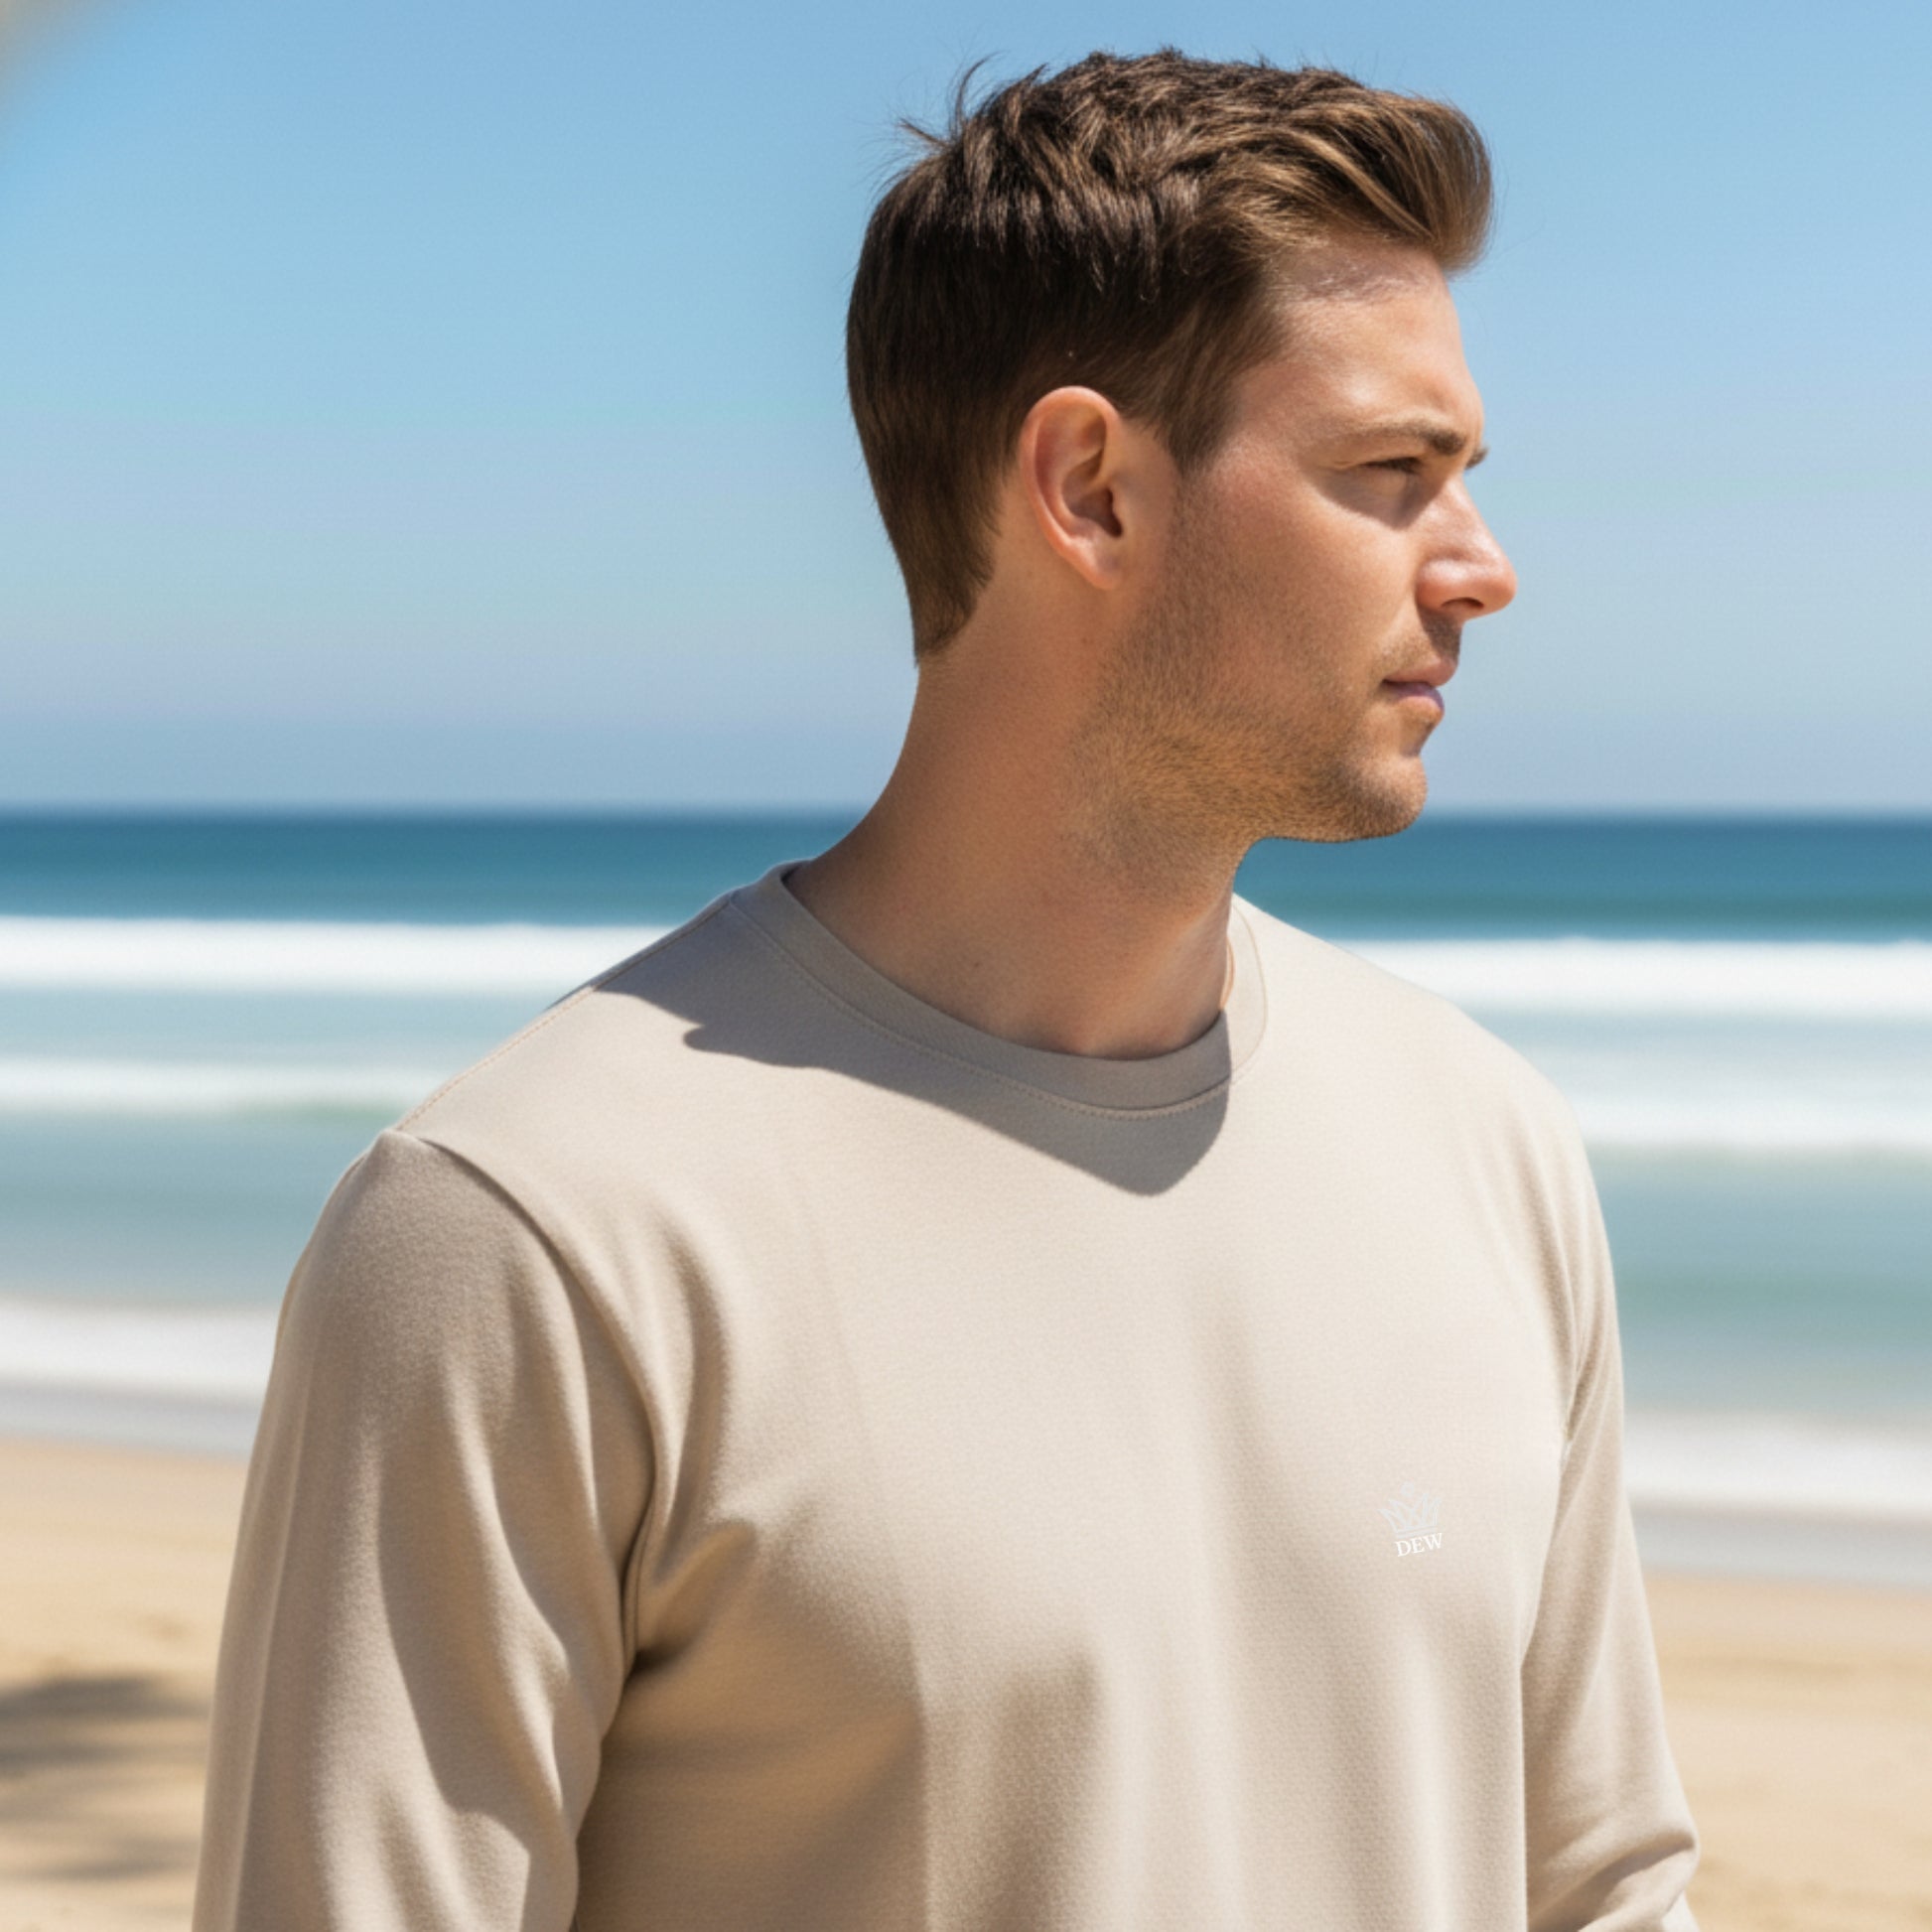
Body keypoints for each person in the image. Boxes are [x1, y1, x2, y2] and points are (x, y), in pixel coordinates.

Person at [194, 49, 1703, 1932]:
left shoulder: (1481, 1143)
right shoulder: (537, 1232)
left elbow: (1600, 1884)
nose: (1481, 567)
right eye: (1387, 475)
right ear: (1086, 487)